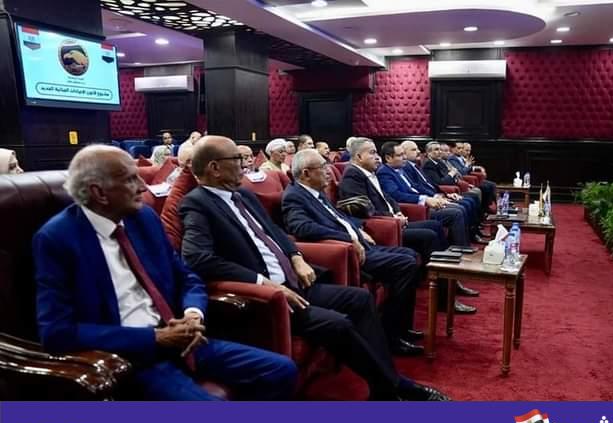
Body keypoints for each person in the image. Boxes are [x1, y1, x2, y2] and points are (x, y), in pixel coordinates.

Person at [178, 135, 449, 400]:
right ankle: (395, 386)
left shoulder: (243, 196)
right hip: (269, 298)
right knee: (338, 324)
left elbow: (276, 232)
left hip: (295, 282)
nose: (244, 164)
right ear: (214, 167)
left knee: (360, 299)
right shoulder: (197, 203)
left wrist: (296, 256)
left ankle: (385, 386)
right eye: (237, 158)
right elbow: (198, 258)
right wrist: (263, 283)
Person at [33, 145, 297, 401]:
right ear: (99, 193)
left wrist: (193, 313)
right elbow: (57, 333)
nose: (143, 186)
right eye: (131, 179)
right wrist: (154, 338)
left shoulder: (144, 218)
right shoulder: (57, 238)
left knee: (281, 370)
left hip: (182, 339)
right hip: (131, 356)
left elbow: (186, 276)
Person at [282, 149, 425, 354]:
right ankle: (392, 336)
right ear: (306, 173)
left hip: (361, 244)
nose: (329, 171)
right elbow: (302, 228)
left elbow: (338, 217)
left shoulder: (316, 192)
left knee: (410, 255)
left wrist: (358, 228)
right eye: (323, 167)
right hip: (346, 252)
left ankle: (401, 327)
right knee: (406, 264)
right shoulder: (294, 196)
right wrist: (348, 238)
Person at [338, 137, 446, 264]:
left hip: (393, 220)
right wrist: (392, 217)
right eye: (372, 153)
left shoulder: (368, 172)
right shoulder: (353, 175)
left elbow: (386, 197)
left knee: (435, 225)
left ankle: (448, 267)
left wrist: (397, 211)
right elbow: (363, 209)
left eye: (377, 153)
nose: (378, 157)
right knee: (429, 235)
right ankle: (436, 273)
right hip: (382, 226)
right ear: (359, 156)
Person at [377, 141, 468, 247]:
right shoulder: (385, 172)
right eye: (400, 155)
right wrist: (425, 199)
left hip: (422, 202)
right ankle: (459, 248)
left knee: (459, 208)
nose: (404, 157)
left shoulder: (400, 169)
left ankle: (454, 249)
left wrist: (435, 196)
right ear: (388, 158)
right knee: (456, 212)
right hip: (414, 208)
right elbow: (396, 195)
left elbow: (416, 186)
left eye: (404, 154)